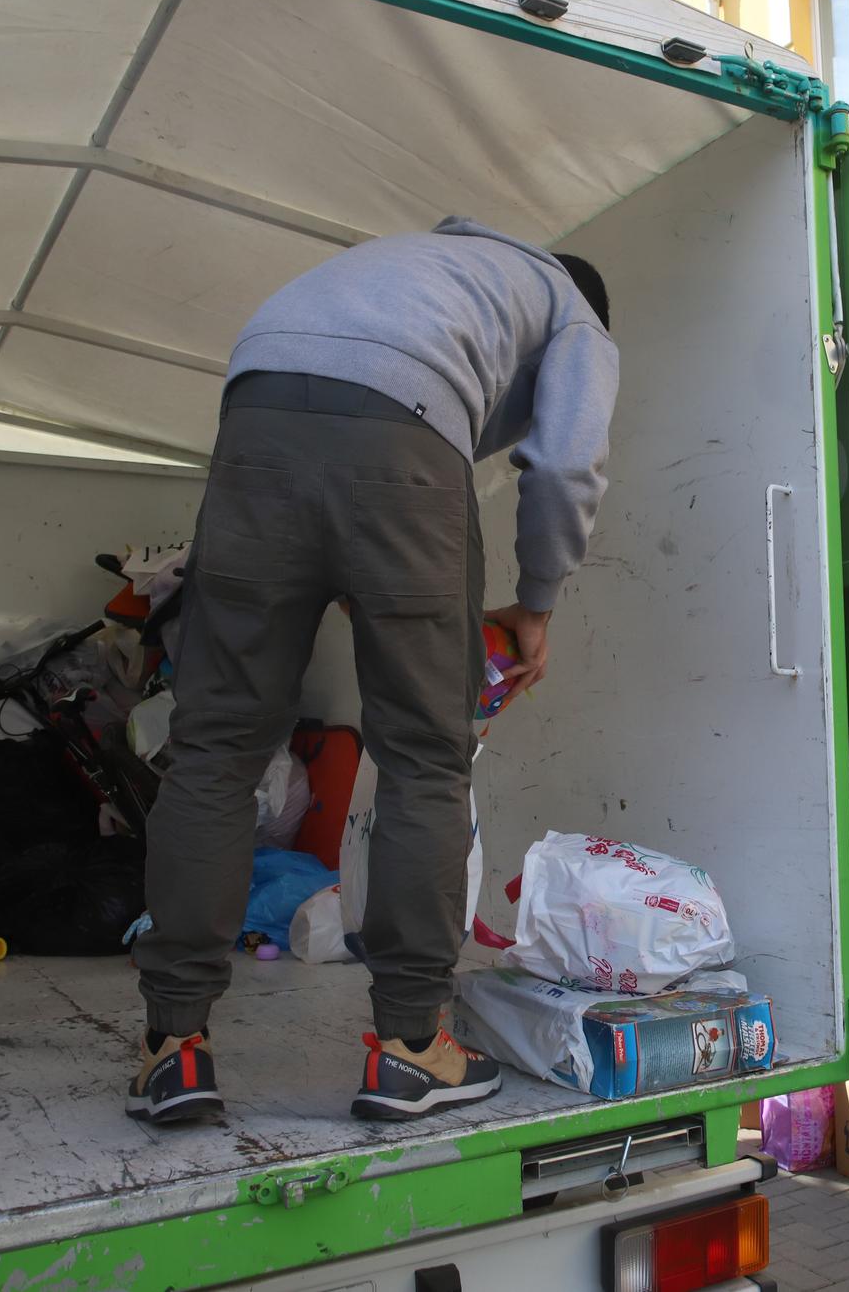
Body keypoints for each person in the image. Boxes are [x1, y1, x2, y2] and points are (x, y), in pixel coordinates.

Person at [127, 218, 617, 1124]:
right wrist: (536, 602)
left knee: (215, 746)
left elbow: (343, 430)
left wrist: (358, 568)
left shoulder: (427, 266)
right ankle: (411, 1046)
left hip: (258, 413)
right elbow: (563, 466)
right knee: (426, 755)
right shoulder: (572, 313)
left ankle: (172, 1046)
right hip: (403, 440)